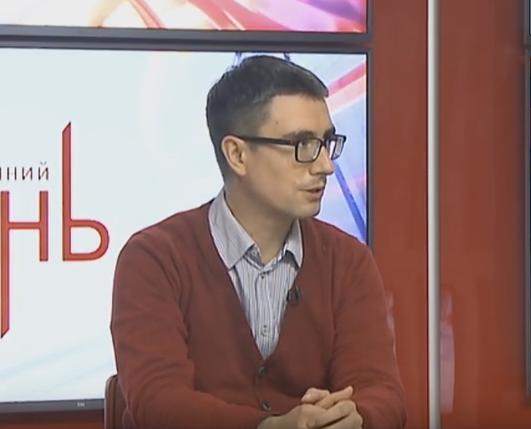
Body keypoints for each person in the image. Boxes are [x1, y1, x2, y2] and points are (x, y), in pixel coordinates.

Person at [110, 55, 406, 429]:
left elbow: (382, 392)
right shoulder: (154, 259)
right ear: (237, 154)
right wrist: (271, 426)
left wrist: (357, 416)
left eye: (326, 142)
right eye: (302, 144)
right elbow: (158, 403)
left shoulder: (348, 261)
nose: (325, 166)